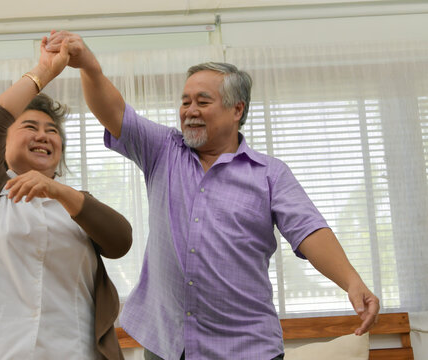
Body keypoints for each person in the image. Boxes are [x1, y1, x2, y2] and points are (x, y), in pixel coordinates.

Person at [45, 31, 380, 360]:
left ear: (237, 110)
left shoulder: (269, 174)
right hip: (168, 345)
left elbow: (309, 230)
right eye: (185, 101)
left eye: (203, 101)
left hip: (245, 348)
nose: (190, 110)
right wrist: (89, 67)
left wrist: (351, 281)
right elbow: (113, 113)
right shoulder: (164, 150)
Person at [0, 35, 132, 360]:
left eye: (52, 131)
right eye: (29, 126)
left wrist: (58, 190)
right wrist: (44, 70)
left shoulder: (76, 205)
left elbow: (121, 241)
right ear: (4, 144)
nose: (43, 135)